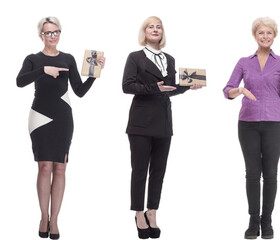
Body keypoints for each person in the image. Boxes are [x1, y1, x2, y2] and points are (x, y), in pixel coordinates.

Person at [16, 16, 106, 240]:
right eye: (48, 32)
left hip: (63, 117)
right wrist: (43, 70)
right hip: (39, 116)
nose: (52, 36)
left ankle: (54, 220)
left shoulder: (68, 58)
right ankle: (43, 217)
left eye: (56, 32)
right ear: (41, 35)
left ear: (59, 33)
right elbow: (19, 81)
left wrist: (94, 74)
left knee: (60, 168)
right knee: (44, 167)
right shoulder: (33, 59)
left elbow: (80, 90)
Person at [223, 17, 280, 240]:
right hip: (248, 123)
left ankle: (267, 221)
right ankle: (253, 221)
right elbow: (227, 89)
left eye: (269, 33)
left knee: (270, 173)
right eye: (261, 33)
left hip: (274, 123)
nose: (265, 36)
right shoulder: (244, 61)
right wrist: (240, 91)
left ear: (275, 35)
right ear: (255, 35)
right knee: (252, 173)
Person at [122, 16, 202, 239]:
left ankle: (152, 212)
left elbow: (169, 88)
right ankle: (139, 213)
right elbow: (126, 86)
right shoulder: (135, 57)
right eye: (151, 26)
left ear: (162, 32)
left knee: (158, 170)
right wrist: (152, 87)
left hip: (163, 121)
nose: (155, 29)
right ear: (144, 32)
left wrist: (187, 87)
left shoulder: (170, 58)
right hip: (140, 121)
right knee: (139, 170)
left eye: (158, 27)